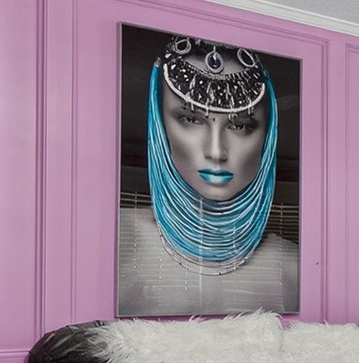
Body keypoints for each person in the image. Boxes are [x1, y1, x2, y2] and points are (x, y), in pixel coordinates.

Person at [116, 36, 299, 316]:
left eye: (240, 125)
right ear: (161, 124)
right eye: (190, 119)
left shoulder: (293, 267)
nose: (216, 151)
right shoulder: (116, 240)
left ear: (267, 135)